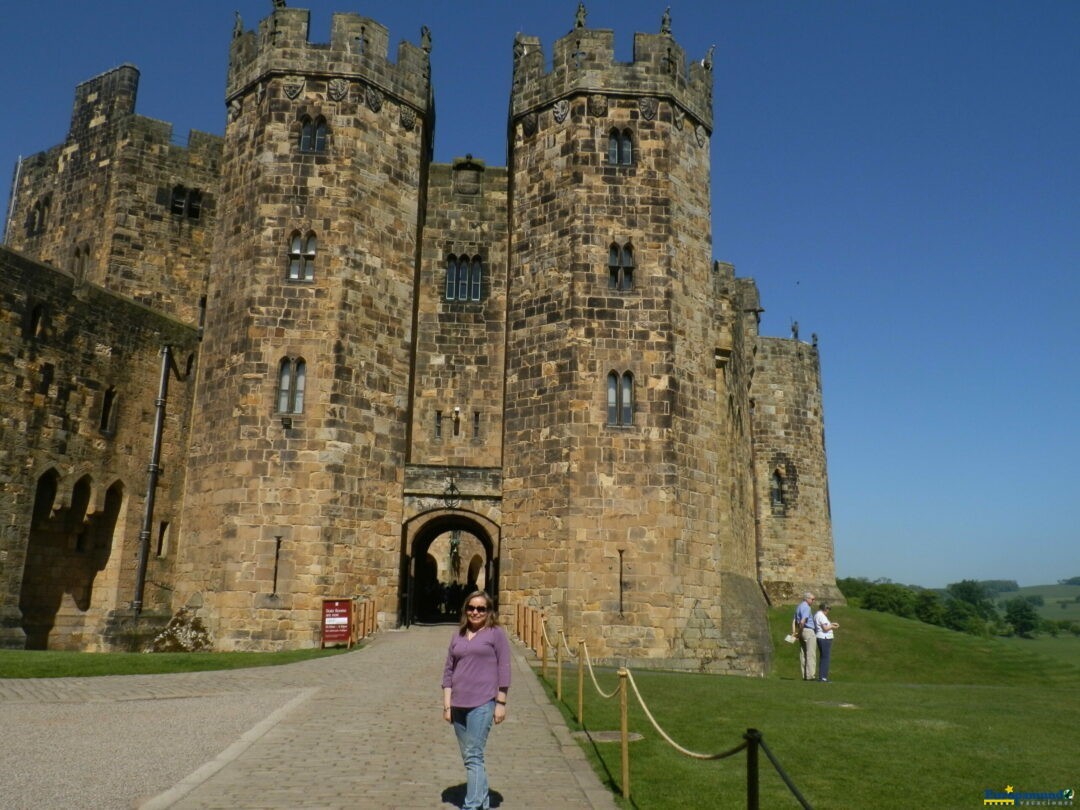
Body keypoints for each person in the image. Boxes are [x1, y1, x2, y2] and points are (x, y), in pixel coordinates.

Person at [442, 590, 511, 810]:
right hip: (458, 703)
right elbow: (448, 671)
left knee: (473, 755)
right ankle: (482, 800)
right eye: (471, 608)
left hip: (482, 702)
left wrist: (501, 702)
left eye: (481, 608)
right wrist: (447, 704)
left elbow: (504, 667)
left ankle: (471, 805)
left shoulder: (495, 633)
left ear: (489, 611)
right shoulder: (459, 635)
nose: (475, 612)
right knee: (471, 756)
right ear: (465, 610)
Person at [793, 592, 817, 680]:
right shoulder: (806, 607)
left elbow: (795, 620)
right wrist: (800, 631)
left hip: (802, 631)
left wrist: (796, 632)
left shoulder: (799, 606)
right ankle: (810, 675)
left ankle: (804, 675)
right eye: (812, 599)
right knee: (810, 653)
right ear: (807, 598)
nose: (813, 601)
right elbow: (803, 621)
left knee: (803, 653)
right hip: (808, 630)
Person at [813, 603, 839, 682]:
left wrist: (831, 624)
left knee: (823, 657)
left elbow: (825, 625)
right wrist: (833, 626)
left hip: (821, 637)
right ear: (825, 609)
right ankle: (823, 677)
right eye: (828, 610)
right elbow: (825, 628)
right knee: (825, 658)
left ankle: (822, 677)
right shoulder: (821, 616)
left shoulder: (818, 615)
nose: (828, 611)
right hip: (824, 638)